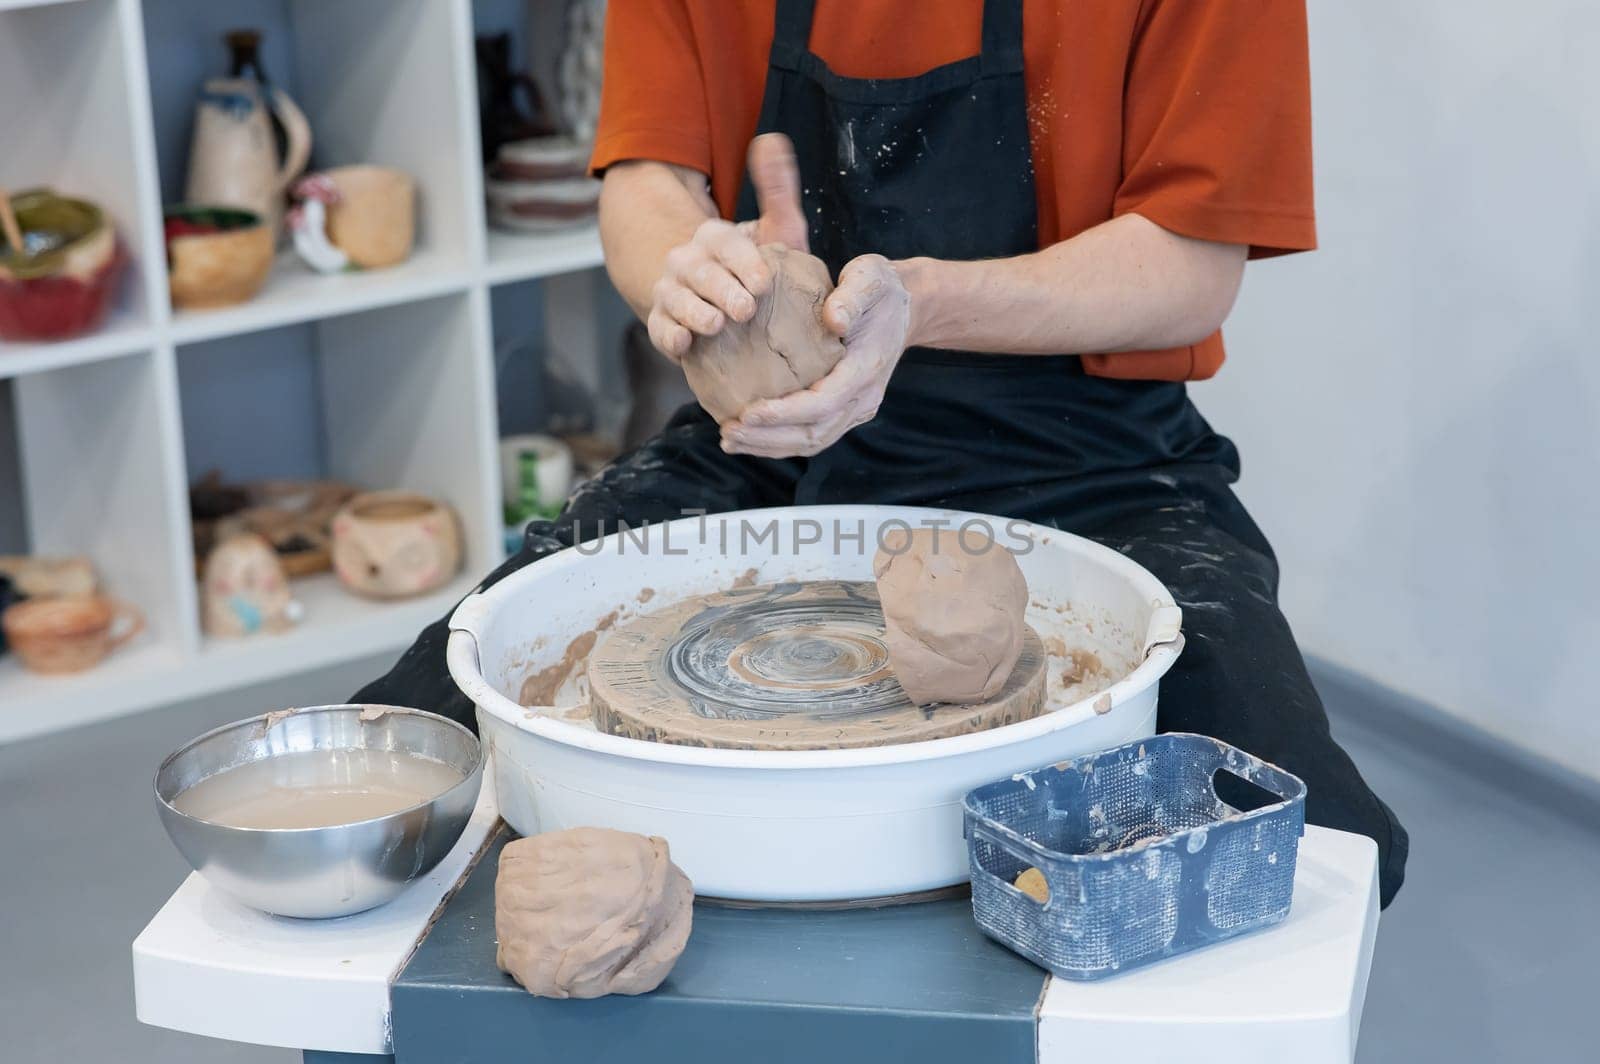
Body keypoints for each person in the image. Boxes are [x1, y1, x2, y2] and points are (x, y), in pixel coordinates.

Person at [356, 0, 1408, 905]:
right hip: (770, 453)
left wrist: (920, 301)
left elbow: (1191, 263)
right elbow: (644, 181)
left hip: (1092, 455)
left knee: (1306, 839)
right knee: (400, 751)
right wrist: (690, 269)